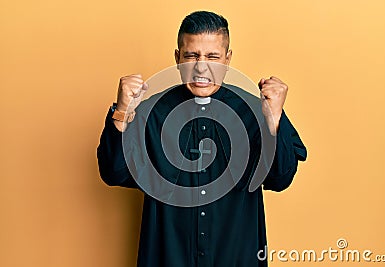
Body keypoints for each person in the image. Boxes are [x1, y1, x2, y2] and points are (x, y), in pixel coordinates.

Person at [97, 11, 306, 267]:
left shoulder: (257, 110)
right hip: (167, 257)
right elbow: (113, 173)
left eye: (213, 57)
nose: (201, 67)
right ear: (177, 58)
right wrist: (121, 112)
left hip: (236, 256)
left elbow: (280, 178)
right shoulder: (149, 111)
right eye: (191, 56)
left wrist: (275, 120)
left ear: (228, 59)